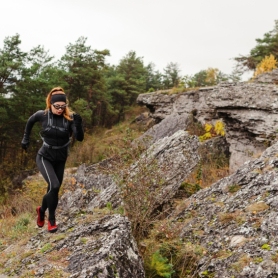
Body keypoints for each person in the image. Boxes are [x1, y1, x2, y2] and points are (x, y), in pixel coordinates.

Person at [21, 87, 84, 233]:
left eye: (63, 106)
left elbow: (79, 138)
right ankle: (52, 220)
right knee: (54, 186)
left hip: (60, 158)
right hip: (45, 157)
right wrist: (25, 138)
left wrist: (78, 125)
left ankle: (41, 210)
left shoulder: (70, 119)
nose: (60, 109)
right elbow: (30, 122)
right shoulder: (42, 115)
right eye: (57, 106)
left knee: (53, 189)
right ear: (50, 103)